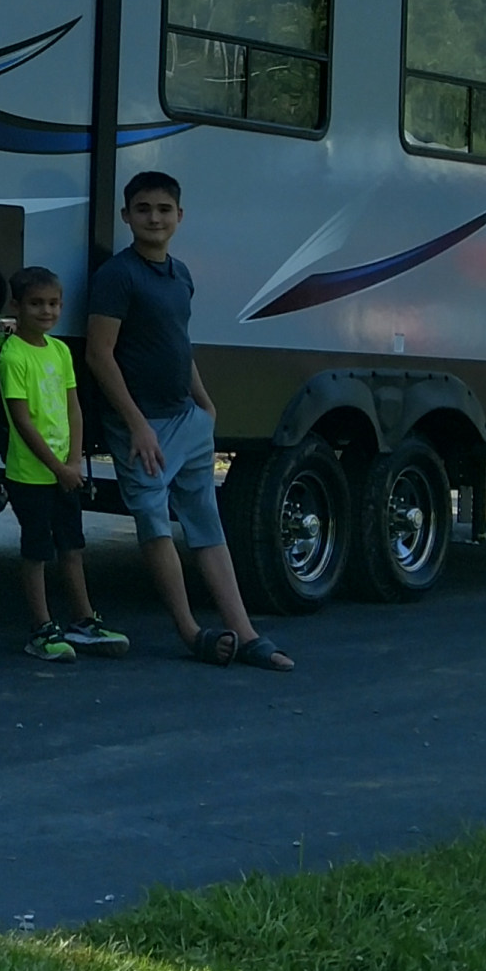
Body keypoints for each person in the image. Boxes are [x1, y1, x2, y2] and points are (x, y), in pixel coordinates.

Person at [78, 171, 293, 671]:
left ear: (180, 217)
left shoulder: (181, 275)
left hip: (187, 419)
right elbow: (100, 355)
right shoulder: (117, 276)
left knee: (207, 526)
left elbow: (180, 344)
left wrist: (204, 403)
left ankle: (246, 634)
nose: (155, 217)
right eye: (144, 208)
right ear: (126, 215)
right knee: (154, 524)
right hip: (142, 428)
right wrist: (136, 424)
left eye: (164, 209)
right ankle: (191, 631)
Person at [0, 268, 125, 660]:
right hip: (31, 475)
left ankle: (83, 620)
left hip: (65, 473)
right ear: (16, 306)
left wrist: (74, 462)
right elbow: (21, 420)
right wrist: (57, 466)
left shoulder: (61, 351)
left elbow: (74, 409)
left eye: (53, 304)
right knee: (38, 550)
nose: (46, 312)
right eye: (36, 304)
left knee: (72, 545)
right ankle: (41, 628)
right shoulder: (12, 356)